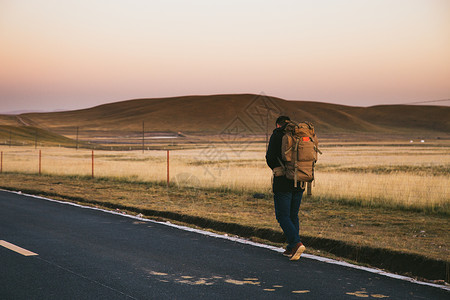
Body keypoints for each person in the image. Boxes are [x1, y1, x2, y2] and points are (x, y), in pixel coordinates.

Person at [265, 116, 306, 261]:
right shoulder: (300, 134)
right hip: (300, 180)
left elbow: (270, 157)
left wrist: (277, 169)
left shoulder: (277, 134)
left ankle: (296, 243)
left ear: (278, 125)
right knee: (293, 215)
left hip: (283, 181)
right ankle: (290, 248)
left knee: (282, 216)